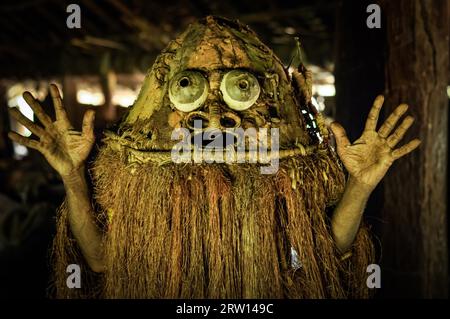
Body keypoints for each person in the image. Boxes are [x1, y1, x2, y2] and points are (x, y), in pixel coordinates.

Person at [8, 16, 420, 298]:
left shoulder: (278, 181)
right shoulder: (146, 193)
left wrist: (361, 184)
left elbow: (322, 252)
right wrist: (73, 176)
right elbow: (99, 258)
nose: (217, 119)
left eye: (241, 90)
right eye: (189, 86)